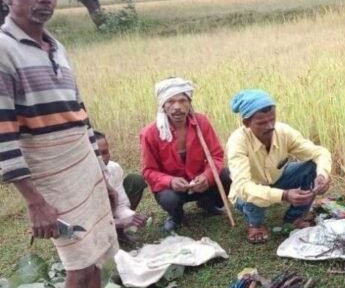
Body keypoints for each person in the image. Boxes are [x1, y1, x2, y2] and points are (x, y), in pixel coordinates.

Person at [0, 0, 129, 288]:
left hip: (81, 164)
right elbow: (2, 132)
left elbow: (78, 111)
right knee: (77, 261)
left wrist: (100, 174)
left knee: (95, 255)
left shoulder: (56, 46)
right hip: (49, 173)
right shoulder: (3, 52)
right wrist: (34, 200)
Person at [227, 89, 332, 243]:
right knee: (250, 192)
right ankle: (255, 224)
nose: (270, 126)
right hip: (247, 191)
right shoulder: (237, 142)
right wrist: (284, 195)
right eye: (262, 123)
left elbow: (319, 153)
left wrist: (323, 174)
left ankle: (294, 217)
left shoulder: (283, 132)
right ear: (246, 123)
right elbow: (244, 187)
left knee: (311, 168)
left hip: (277, 178)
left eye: (272, 120)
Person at [140, 78, 231, 232]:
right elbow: (148, 171)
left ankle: (207, 204)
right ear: (163, 105)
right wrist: (170, 181)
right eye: (170, 102)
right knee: (170, 199)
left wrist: (207, 176)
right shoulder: (150, 133)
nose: (177, 107)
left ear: (189, 103)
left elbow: (216, 155)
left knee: (226, 175)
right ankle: (176, 216)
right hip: (174, 189)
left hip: (199, 183)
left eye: (182, 101)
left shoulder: (201, 122)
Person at [93, 131, 147, 244]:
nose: (101, 159)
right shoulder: (77, 182)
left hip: (109, 211)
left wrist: (132, 218)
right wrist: (121, 222)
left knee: (135, 180)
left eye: (105, 152)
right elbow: (87, 222)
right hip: (89, 224)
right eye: (96, 154)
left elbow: (121, 204)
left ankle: (119, 234)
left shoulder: (114, 168)